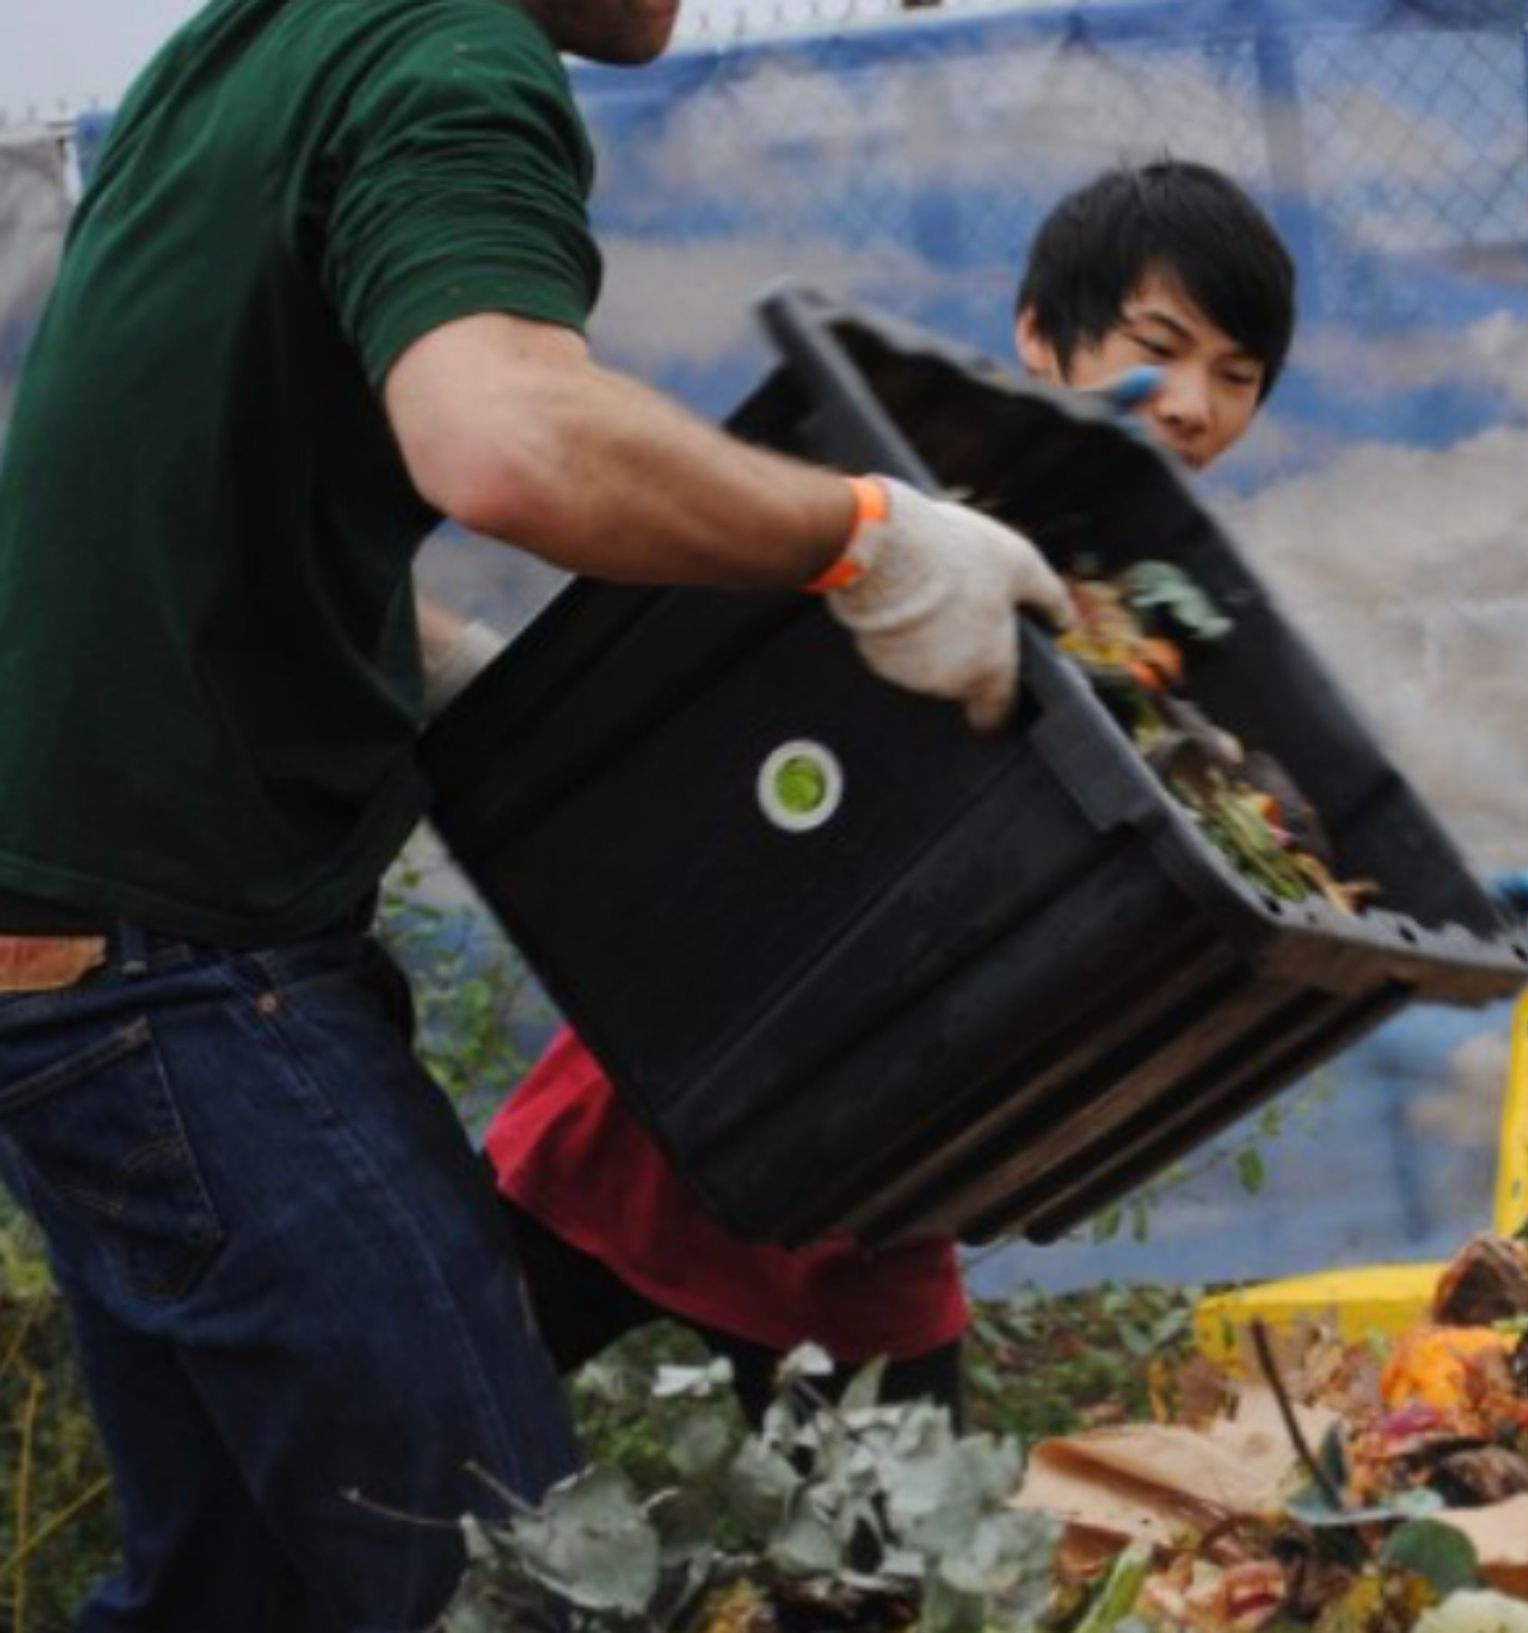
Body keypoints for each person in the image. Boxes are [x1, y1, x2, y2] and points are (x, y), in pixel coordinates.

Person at [0, 0, 1075, 1623]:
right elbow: (505, 439)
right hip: (182, 980)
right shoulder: (448, 50)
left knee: (240, 1593)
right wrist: (869, 539)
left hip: (76, 960)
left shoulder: (251, 46)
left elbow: (182, 481)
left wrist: (438, 664)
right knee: (515, 1576)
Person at [480, 159, 1300, 1423]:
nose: (1192, 404)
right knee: (402, 1477)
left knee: (880, 1579)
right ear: (1039, 334)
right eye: (1159, 347)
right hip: (649, 1124)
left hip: (868, 1191)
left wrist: (1275, 857)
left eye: (1237, 379)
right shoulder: (896, 512)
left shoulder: (1154, 628)